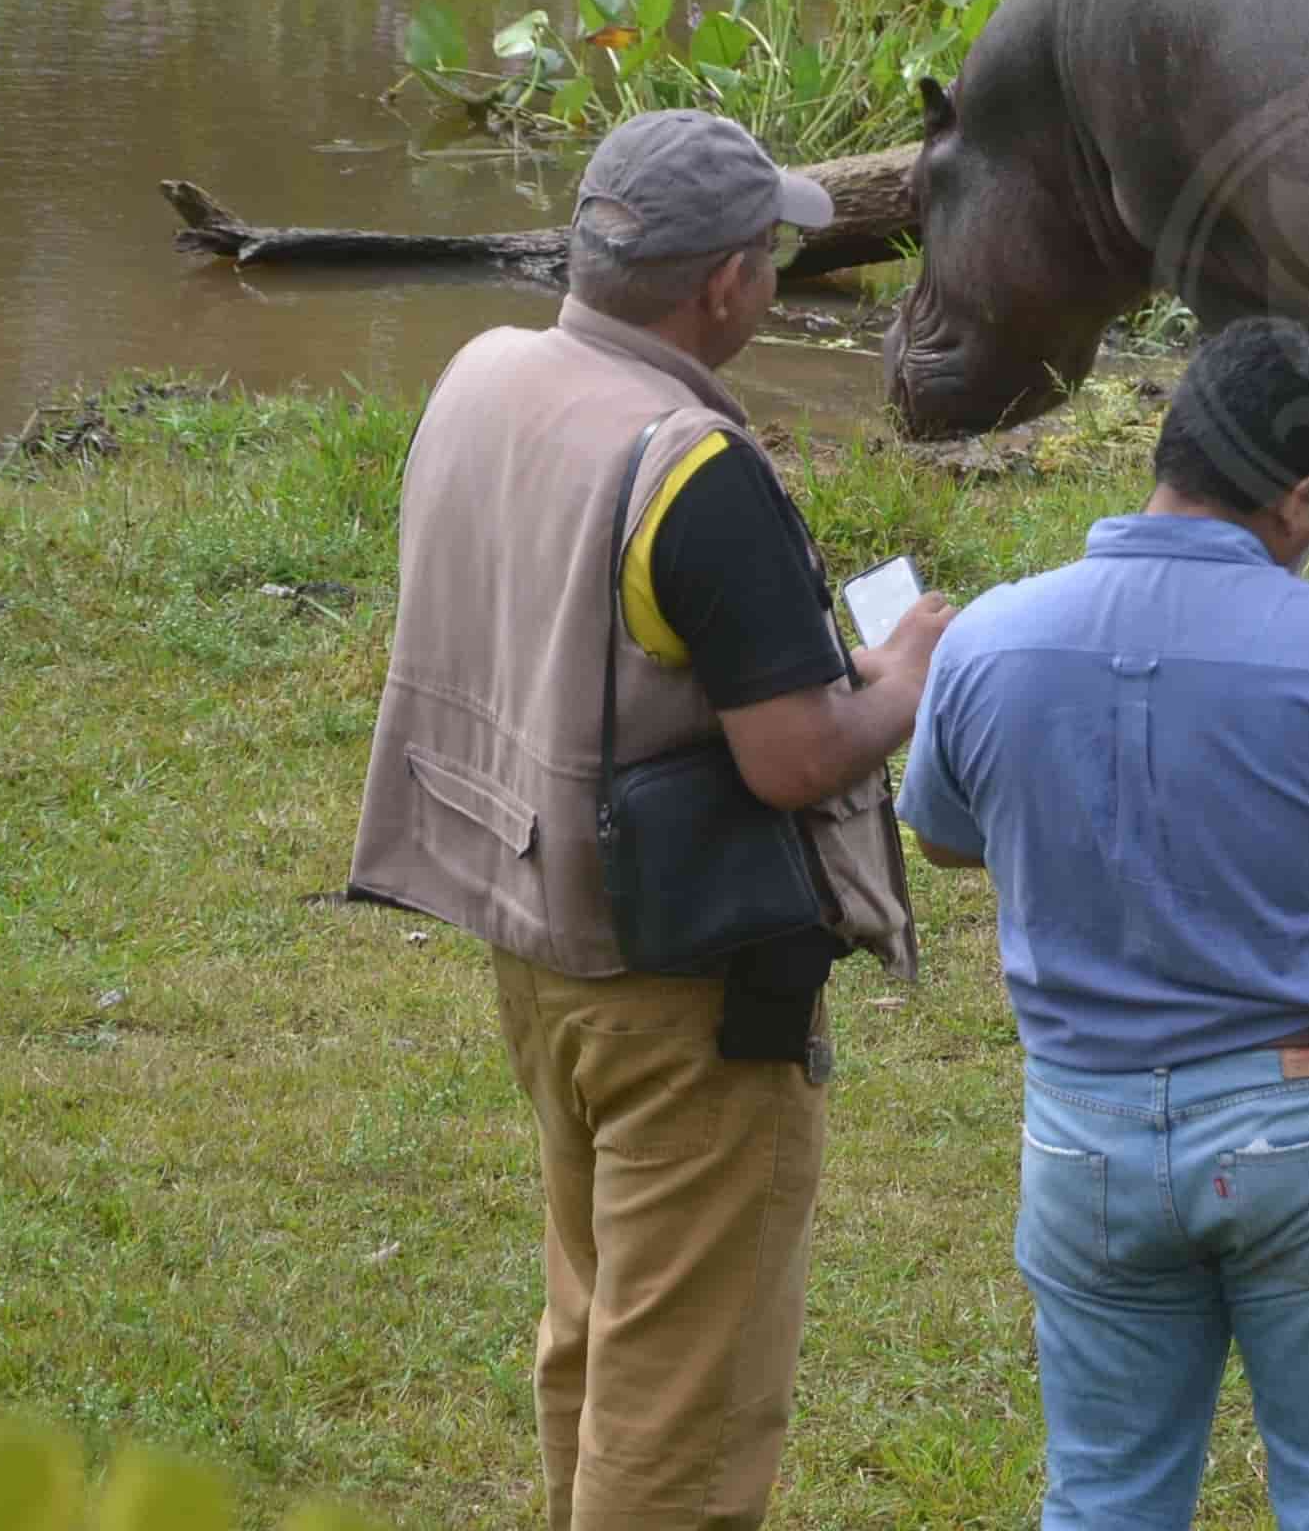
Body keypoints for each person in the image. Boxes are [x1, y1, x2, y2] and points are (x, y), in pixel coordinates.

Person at [347, 108, 955, 1531]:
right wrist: (905, 679)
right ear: (729, 287)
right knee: (683, 1410)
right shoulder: (694, 468)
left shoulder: (487, 374)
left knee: (602, 1325)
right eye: (772, 255)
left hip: (536, 934)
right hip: (687, 994)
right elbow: (798, 758)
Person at [897, 318, 1309, 1531]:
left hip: (1084, 1133)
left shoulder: (989, 638)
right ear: (1300, 498)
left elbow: (943, 835)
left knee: (1105, 1496)